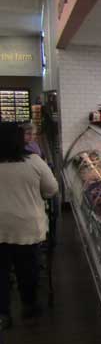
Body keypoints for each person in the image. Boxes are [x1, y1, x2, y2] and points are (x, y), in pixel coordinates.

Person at [0, 123, 59, 328]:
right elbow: (51, 189)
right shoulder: (33, 161)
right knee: (28, 268)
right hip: (26, 225)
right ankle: (29, 306)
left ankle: (3, 313)